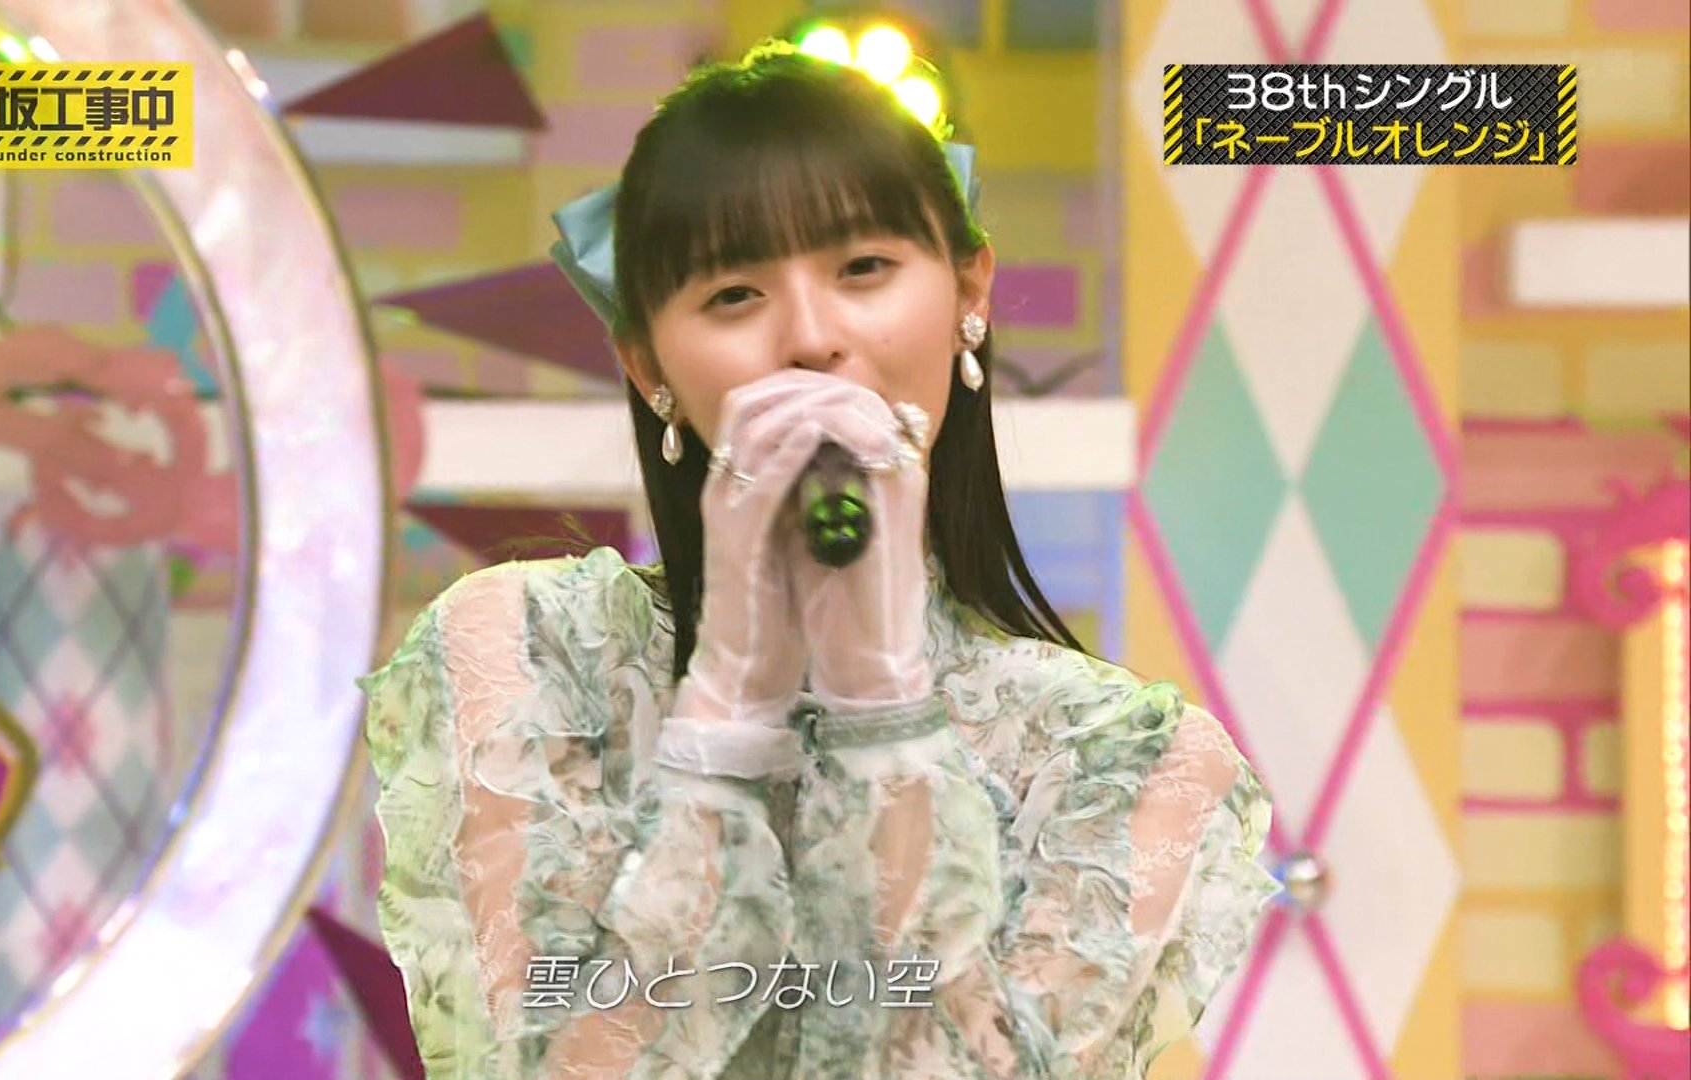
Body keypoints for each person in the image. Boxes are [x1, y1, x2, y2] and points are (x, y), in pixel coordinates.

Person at [360, 41, 1278, 1079]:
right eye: (733, 294)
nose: (810, 337)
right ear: (647, 360)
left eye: (863, 270)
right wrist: (729, 700)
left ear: (969, 289)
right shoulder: (527, 653)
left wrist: (879, 701)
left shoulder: (1125, 759)